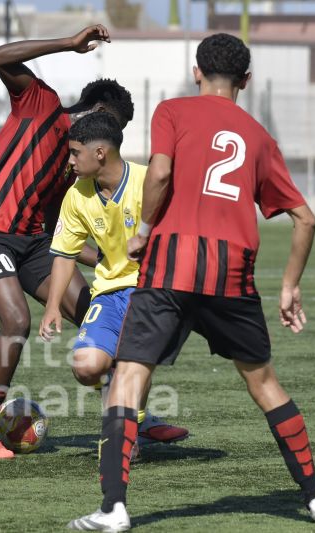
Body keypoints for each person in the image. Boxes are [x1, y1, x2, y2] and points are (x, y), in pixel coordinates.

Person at [69, 33, 315, 531]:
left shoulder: (172, 112)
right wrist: (289, 287)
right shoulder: (259, 137)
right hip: (232, 272)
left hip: (170, 264)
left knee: (129, 377)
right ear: (246, 80)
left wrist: (145, 230)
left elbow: (162, 174)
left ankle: (114, 509)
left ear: (197, 72)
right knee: (264, 384)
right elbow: (306, 219)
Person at [0, 25, 134, 459]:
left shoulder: (79, 169)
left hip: (35, 245)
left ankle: (132, 420)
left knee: (101, 319)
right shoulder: (42, 105)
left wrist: (107, 256)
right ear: (98, 112)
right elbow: (1, 56)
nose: (114, 142)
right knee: (15, 320)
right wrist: (68, 45)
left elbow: (62, 231)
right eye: (116, 126)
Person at [38, 111, 188, 448]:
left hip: (152, 291)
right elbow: (64, 253)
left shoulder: (148, 181)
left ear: (100, 153)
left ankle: (125, 429)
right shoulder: (77, 195)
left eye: (75, 153)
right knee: (86, 366)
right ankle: (125, 412)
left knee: (130, 360)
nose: (71, 161)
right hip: (109, 291)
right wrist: (51, 308)